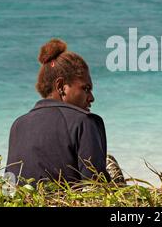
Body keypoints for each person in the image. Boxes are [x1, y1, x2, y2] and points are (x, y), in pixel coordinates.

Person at [6, 38, 111, 184]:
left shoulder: (18, 124)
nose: (91, 98)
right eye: (85, 89)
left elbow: (10, 184)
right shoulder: (84, 122)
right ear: (61, 85)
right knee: (112, 164)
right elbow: (96, 186)